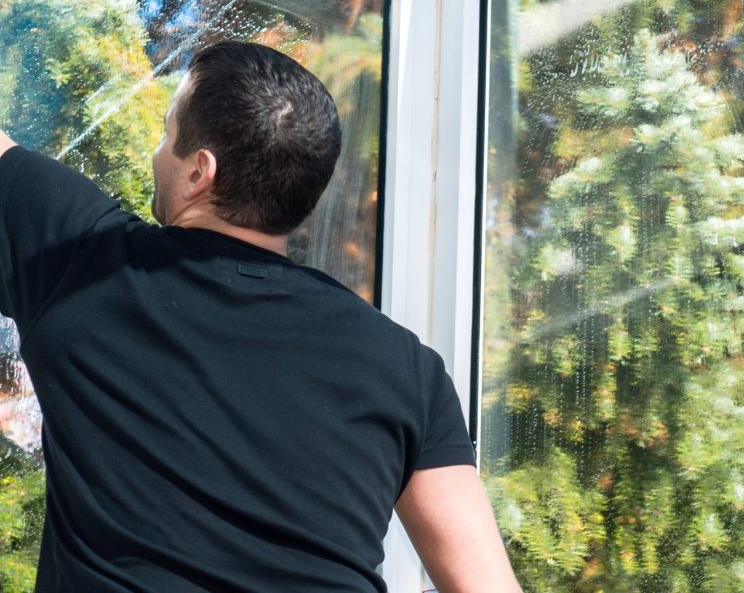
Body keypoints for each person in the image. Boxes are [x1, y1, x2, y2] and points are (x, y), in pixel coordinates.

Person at [0, 40, 521, 592]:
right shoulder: (408, 368)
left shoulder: (88, 264)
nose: (157, 153)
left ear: (200, 171)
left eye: (166, 134)